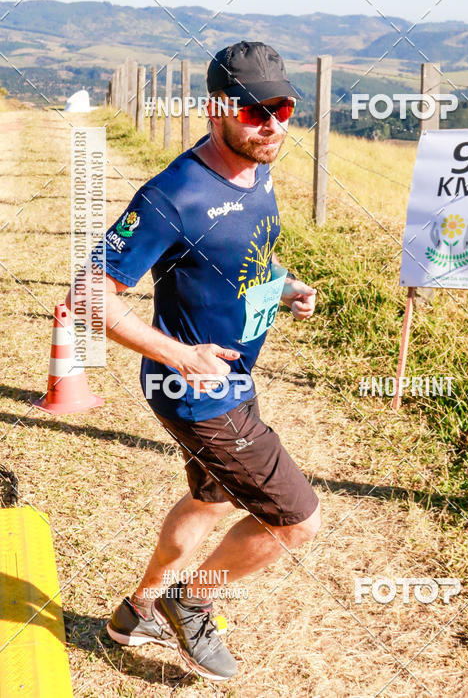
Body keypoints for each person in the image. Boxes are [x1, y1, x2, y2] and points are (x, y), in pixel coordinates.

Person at [67, 41, 320, 682]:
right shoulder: (171, 195)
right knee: (296, 521)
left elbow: (244, 255)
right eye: (257, 110)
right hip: (201, 394)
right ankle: (192, 600)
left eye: (284, 107)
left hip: (230, 380)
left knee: (211, 501)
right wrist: (179, 354)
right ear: (216, 110)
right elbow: (87, 295)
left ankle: (140, 610)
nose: (274, 124)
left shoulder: (258, 166)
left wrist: (282, 285)